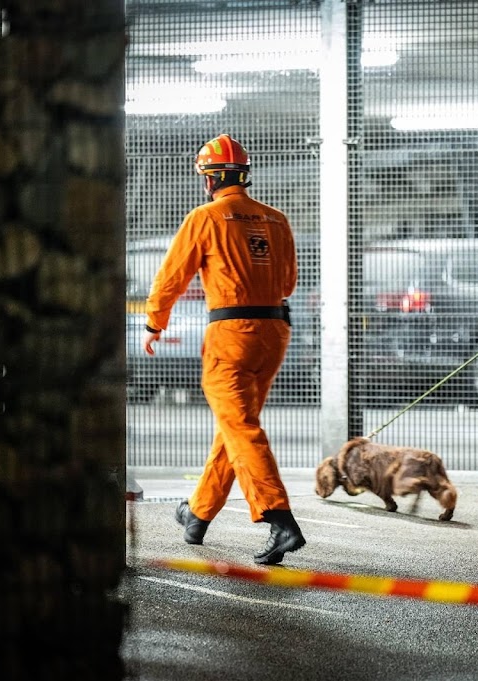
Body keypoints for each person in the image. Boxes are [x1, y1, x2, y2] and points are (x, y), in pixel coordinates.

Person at [141, 133, 306, 565]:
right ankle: (197, 514)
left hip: (232, 335)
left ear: (209, 179)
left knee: (241, 428)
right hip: (274, 334)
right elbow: (288, 284)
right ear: (244, 175)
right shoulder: (276, 219)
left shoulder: (205, 217)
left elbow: (171, 277)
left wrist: (154, 323)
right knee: (235, 426)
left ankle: (279, 519)